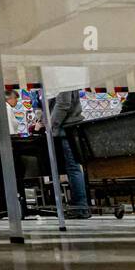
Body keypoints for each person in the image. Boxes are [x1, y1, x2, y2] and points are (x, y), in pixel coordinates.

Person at [46, 90, 90, 219]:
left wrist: (50, 126)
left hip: (66, 128)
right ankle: (79, 205)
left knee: (73, 168)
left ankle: (80, 207)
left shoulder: (61, 78)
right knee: (72, 168)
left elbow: (63, 104)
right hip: (65, 128)